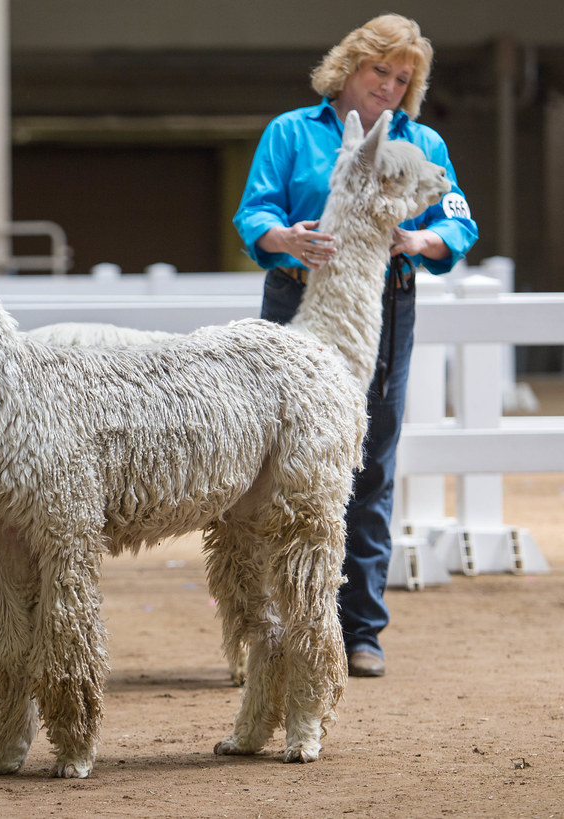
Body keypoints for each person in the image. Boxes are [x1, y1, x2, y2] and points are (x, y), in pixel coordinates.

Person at [233, 14, 478, 678]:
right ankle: (270, 623)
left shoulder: (419, 142)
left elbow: (457, 218)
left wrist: (419, 241)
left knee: (368, 458)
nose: (390, 87)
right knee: (272, 460)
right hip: (294, 297)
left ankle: (359, 627)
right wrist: (288, 237)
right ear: (350, 66)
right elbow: (254, 212)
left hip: (383, 305)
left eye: (403, 79)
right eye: (381, 71)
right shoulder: (290, 133)